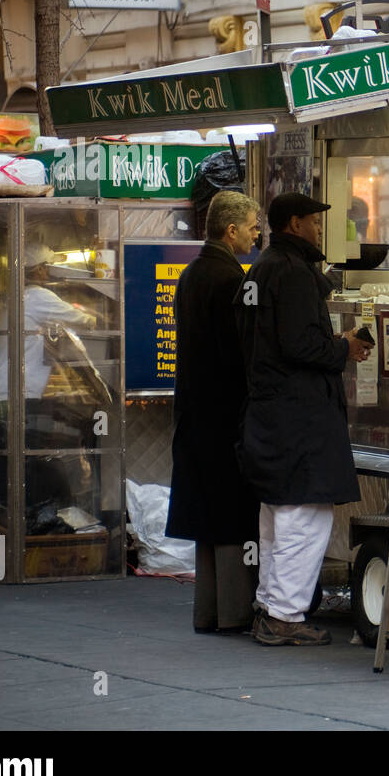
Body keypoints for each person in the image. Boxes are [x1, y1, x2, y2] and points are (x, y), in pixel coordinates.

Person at [237, 192, 373, 646]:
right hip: (298, 418)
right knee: (304, 518)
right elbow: (298, 346)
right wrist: (343, 348)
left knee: (278, 516)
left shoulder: (265, 267)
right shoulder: (292, 272)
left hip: (272, 413)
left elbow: (279, 341)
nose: (320, 229)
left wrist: (331, 341)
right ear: (295, 224)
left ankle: (270, 606)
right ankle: (284, 616)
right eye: (315, 222)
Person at [167, 191, 261, 634]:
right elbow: (239, 354)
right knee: (230, 514)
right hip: (225, 413)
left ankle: (208, 611)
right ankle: (235, 612)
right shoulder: (231, 278)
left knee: (207, 517)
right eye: (252, 225)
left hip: (193, 411)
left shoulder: (191, 274)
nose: (257, 232)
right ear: (231, 230)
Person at [0, 242, 97, 523]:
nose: (48, 272)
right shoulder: (36, 297)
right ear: (38, 270)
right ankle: (35, 524)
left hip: (3, 394)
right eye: (45, 267)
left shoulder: (16, 300)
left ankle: (24, 524)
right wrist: (99, 316)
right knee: (32, 463)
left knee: (19, 466)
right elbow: (82, 320)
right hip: (17, 397)